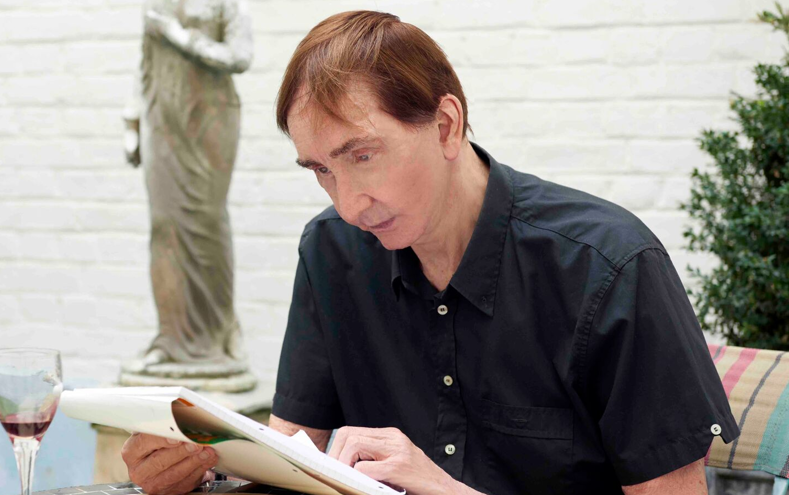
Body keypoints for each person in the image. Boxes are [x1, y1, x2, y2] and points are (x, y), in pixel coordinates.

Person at [121, 10, 738, 495]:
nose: (349, 203)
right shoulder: (333, 251)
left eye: (362, 156)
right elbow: (289, 458)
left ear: (446, 125)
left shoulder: (608, 269)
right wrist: (201, 470)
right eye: (321, 170)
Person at [120, 0, 255, 387]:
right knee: (164, 226)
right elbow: (144, 63)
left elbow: (240, 55)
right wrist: (130, 122)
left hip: (210, 117)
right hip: (162, 117)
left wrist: (180, 36)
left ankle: (216, 336)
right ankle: (171, 338)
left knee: (206, 223)